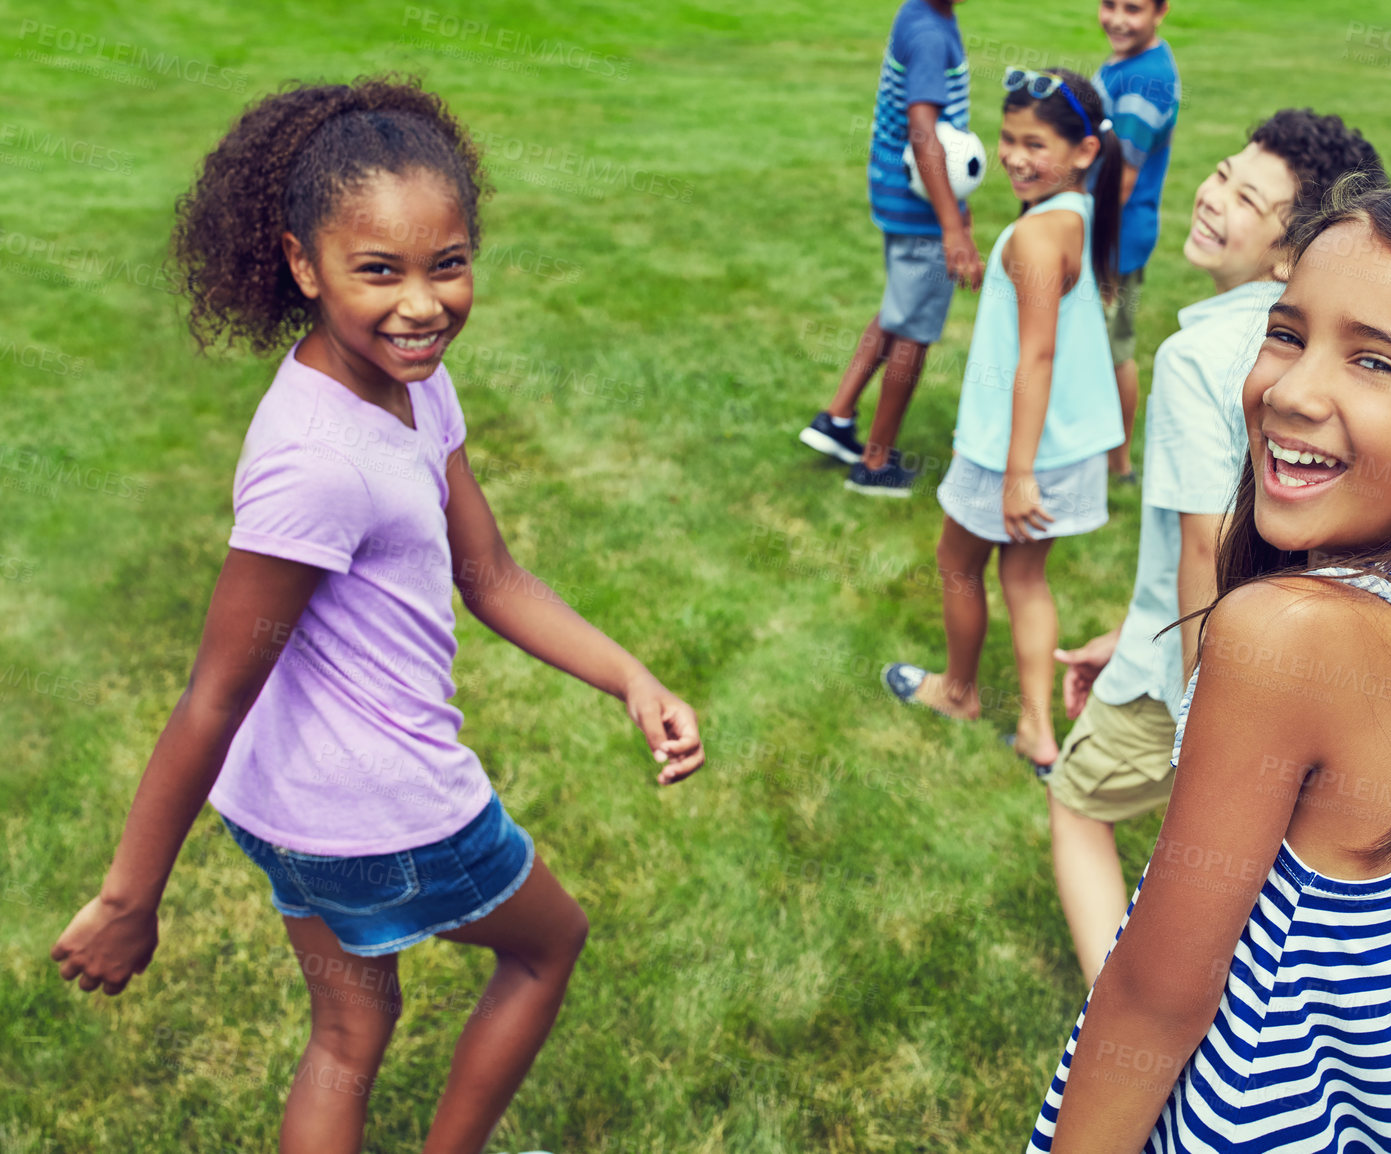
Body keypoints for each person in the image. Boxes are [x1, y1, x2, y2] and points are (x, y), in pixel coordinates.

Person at [48, 77, 705, 1154]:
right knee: (548, 945)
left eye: (448, 265)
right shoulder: (317, 463)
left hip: (285, 807)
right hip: (388, 812)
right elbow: (214, 689)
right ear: (303, 263)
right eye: (379, 271)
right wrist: (129, 897)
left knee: (350, 1025)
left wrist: (630, 675)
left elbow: (487, 573)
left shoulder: (410, 382)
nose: (422, 303)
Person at [1028, 183, 1391, 1152]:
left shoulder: (1282, 639)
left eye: (1374, 359)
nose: (1288, 389)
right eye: (1284, 332)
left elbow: (1152, 1001)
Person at [1047, 109, 1385, 982]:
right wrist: (1131, 631)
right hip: (1294, 659)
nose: (1213, 195)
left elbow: (1206, 544)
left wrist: (1204, 719)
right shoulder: (1325, 352)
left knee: (1077, 805)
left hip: (1197, 669)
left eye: (1247, 197)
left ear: (1288, 255)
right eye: (1223, 172)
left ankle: (1112, 1007)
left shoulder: (1200, 357)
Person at [882, 68, 1124, 773]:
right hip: (1068, 443)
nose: (1015, 156)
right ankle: (1036, 733)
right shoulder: (1078, 209)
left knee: (957, 563)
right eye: (1008, 139)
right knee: (1025, 579)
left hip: (1012, 450)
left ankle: (959, 692)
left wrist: (1017, 474)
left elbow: (1037, 358)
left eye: (1035, 144)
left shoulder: (1038, 237)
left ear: (1082, 151)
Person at [798, 0, 985, 497]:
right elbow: (923, 132)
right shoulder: (928, 31)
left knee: (897, 312)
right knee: (914, 332)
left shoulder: (923, 12)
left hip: (905, 198)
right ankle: (875, 461)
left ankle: (837, 418)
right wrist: (952, 228)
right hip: (920, 208)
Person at [1092, 0, 1179, 484]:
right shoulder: (1129, 61)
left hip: (1116, 239)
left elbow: (1121, 179)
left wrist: (1097, 253)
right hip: (1113, 234)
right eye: (1109, 5)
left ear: (1160, 11)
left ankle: (1119, 464)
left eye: (1133, 8)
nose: (1118, 19)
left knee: (1115, 348)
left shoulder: (1146, 80)